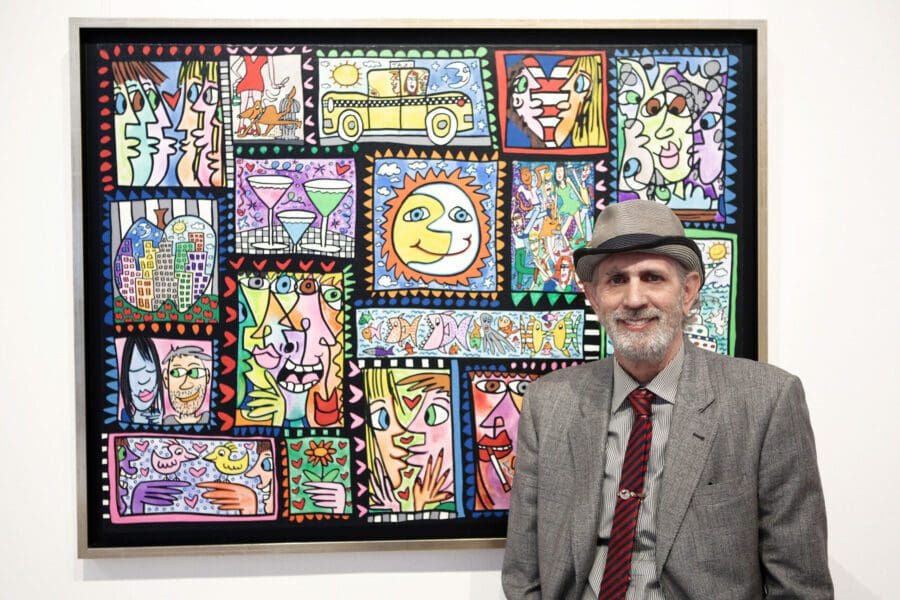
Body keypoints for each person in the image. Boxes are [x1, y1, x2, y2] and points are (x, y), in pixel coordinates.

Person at [502, 200, 832, 599]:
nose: (634, 299)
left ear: (687, 291)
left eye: (652, 277)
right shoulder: (549, 403)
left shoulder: (766, 400)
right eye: (616, 280)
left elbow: (799, 583)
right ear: (594, 297)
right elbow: (522, 572)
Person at [161, 345, 212, 425]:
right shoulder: (165, 422)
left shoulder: (209, 418)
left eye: (195, 372)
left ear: (207, 376)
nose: (186, 385)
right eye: (177, 373)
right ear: (166, 379)